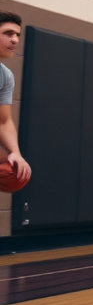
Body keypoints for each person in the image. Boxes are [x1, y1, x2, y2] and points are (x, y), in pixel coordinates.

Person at [0, 12, 32, 186]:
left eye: (17, 35)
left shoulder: (5, 76)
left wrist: (15, 153)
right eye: (8, 33)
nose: (15, 40)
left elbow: (4, 121)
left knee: (12, 170)